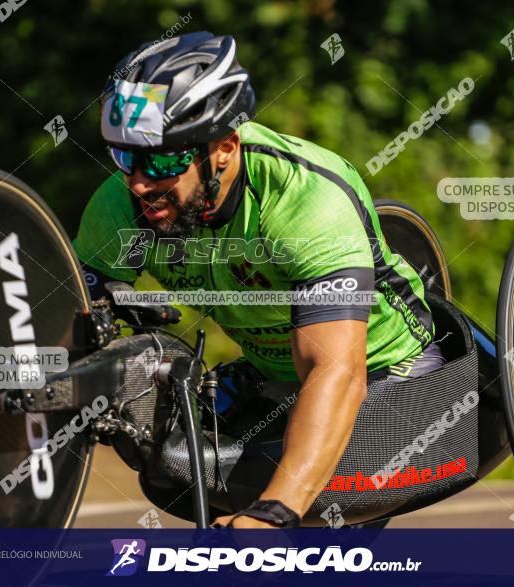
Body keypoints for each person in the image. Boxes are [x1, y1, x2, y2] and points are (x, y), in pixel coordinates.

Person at [74, 31, 444, 528]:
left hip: (390, 376)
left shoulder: (302, 200)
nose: (139, 182)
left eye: (162, 160)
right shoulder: (123, 206)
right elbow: (65, 331)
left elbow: (336, 371)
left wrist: (274, 513)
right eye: (125, 157)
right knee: (168, 462)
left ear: (224, 147)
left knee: (286, 503)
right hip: (273, 379)